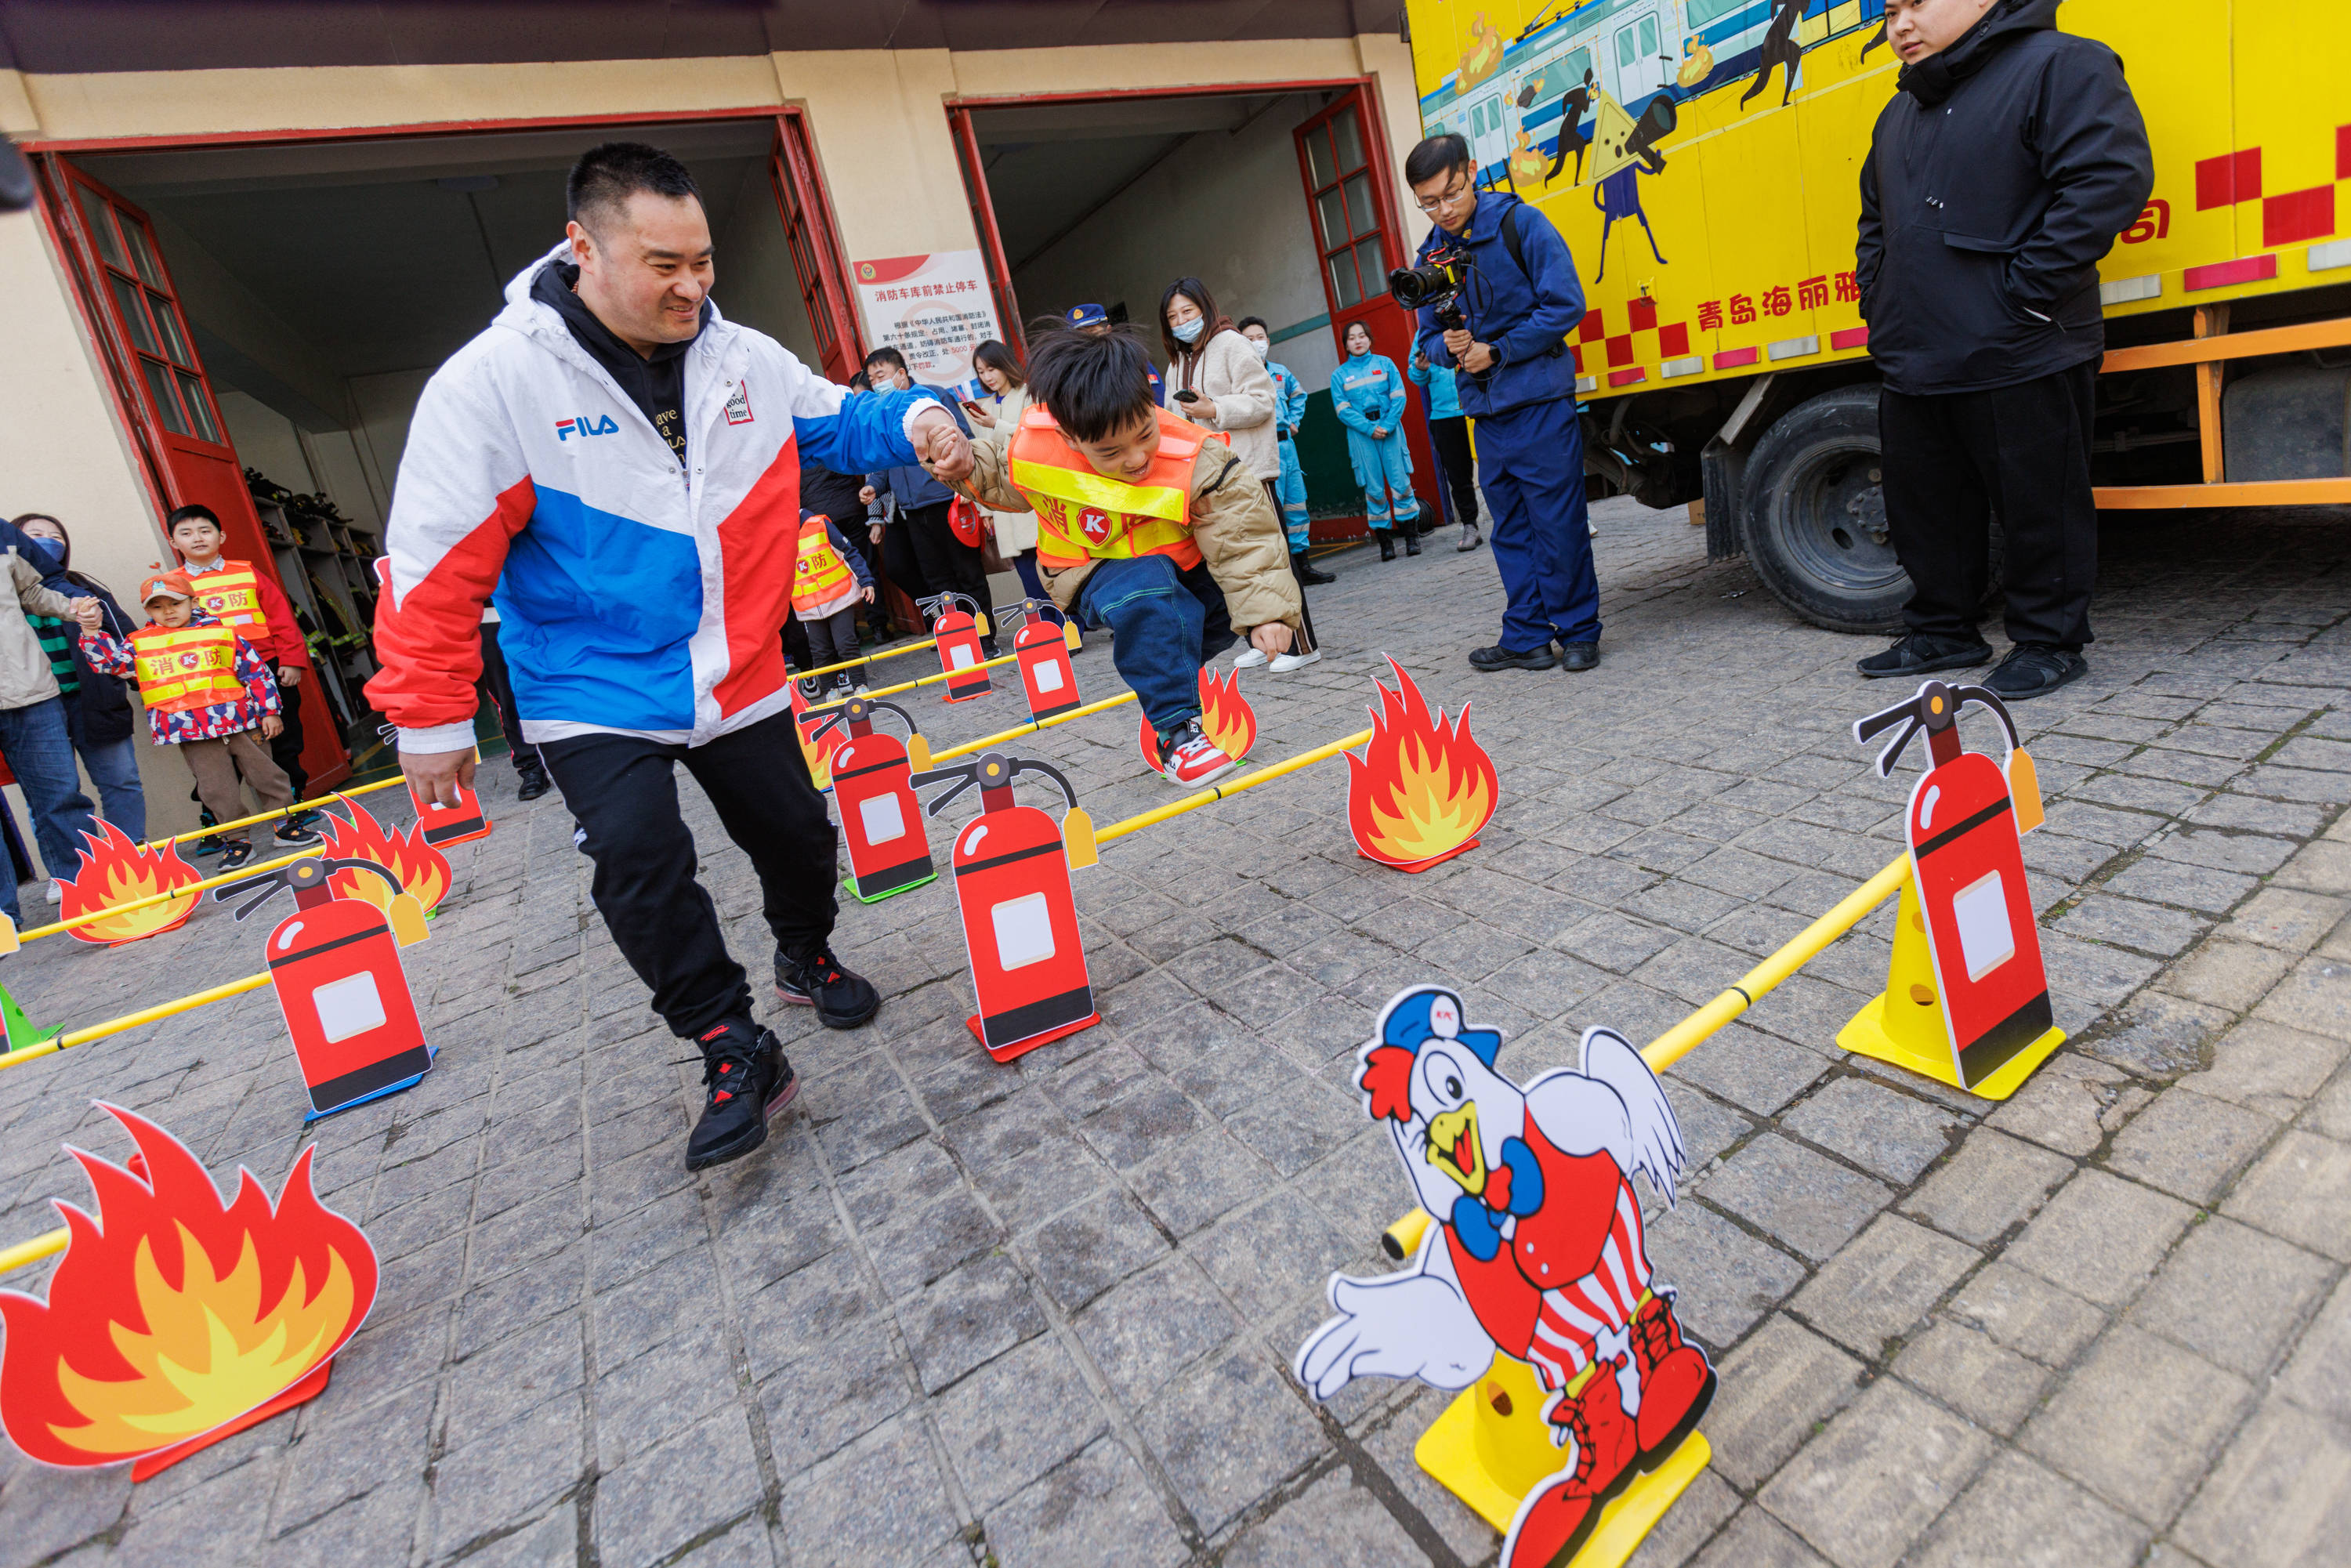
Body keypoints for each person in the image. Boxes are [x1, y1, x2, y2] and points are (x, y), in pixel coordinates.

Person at [366, 142, 974, 1173]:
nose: (692, 285)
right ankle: (728, 1041)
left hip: (734, 668)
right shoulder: (493, 383)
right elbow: (431, 559)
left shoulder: (741, 360)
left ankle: (804, 946)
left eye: (703, 262)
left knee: (795, 833)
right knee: (641, 864)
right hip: (588, 684)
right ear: (583, 247)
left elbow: (842, 418)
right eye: (664, 264)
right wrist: (427, 715)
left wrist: (920, 414)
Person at [1856, 0, 2153, 700]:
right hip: (1914, 346)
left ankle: (2049, 641)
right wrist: (1880, 297)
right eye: (1890, 11)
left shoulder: (2061, 64)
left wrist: (2022, 295)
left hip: (2021, 344)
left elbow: (2108, 181)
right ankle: (1943, 628)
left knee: (2038, 503)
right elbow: (1875, 220)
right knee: (1924, 503)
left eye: (1916, 4)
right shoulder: (1898, 112)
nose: (1899, 24)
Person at [952, 325, 1301, 787]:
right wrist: (962, 466)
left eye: (1145, 434)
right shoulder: (1040, 448)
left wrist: (1266, 614)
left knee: (1203, 612)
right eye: (1111, 451)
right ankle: (1178, 735)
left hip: (1184, 568)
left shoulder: (1195, 458)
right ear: (1071, 437)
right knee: (1147, 587)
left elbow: (1243, 536)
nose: (1136, 459)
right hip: (1088, 569)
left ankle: (1161, 677)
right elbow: (996, 471)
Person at [1408, 132, 1599, 673]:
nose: (1442, 210)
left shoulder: (1522, 225)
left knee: (1558, 522)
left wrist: (1498, 351)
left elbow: (1566, 304)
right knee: (1509, 527)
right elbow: (1424, 339)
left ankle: (1580, 631)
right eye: (1428, 201)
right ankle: (1527, 637)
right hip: (1485, 414)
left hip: (1539, 399)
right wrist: (1444, 350)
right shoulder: (1431, 255)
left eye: (1450, 193)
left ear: (1472, 171)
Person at [73, 571, 317, 873]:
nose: (168, 611)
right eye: (158, 606)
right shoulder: (140, 644)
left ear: (194, 602)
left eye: (175, 603)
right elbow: (109, 663)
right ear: (148, 611)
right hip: (192, 732)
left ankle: (285, 824)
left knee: (268, 774)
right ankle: (237, 840)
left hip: (243, 723)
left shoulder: (221, 634)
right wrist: (92, 632)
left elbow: (256, 672)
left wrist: (269, 711)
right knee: (216, 789)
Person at [1164, 283, 1318, 673]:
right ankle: (1260, 638)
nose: (1182, 322)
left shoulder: (1231, 343)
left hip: (1248, 471)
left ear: (1205, 308)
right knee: (1234, 564)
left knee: (1274, 559)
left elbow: (1263, 400)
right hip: (1207, 480)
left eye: (1188, 311)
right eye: (1173, 317)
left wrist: (1212, 407)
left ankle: (1302, 644)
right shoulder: (1176, 362)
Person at [164, 504, 318, 805]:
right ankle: (217, 817)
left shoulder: (247, 573)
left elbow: (282, 619)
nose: (197, 538)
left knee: (284, 736)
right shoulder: (172, 586)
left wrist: (290, 660)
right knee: (216, 747)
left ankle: (293, 799)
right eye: (186, 533)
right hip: (213, 679)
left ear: (221, 536)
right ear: (173, 542)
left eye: (205, 531)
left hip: (268, 667)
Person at [13, 513, 147, 846]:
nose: (47, 542)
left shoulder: (84, 589)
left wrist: (147, 684)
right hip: (34, 707)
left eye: (56, 536)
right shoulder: (7, 596)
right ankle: (72, 873)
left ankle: (129, 855)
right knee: (50, 795)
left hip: (95, 697)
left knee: (121, 780)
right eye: (35, 535)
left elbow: (127, 639)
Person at [860, 346, 991, 657]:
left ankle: (985, 639)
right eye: (872, 378)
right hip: (912, 510)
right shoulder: (883, 411)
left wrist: (966, 485)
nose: (876, 382)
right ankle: (958, 643)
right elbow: (883, 460)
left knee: (967, 573)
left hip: (947, 499)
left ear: (901, 374)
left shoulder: (932, 397)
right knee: (938, 582)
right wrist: (874, 487)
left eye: (881, 375)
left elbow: (963, 437)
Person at [0, 523, 98, 915]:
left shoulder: (3, 534)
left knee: (60, 798)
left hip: (30, 690)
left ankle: (89, 895)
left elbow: (36, 587)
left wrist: (74, 605)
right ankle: (5, 922)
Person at [1237, 317, 1333, 587]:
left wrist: (1294, 422)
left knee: (1296, 504)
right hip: (1262, 450)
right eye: (1249, 339)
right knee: (1272, 509)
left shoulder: (1280, 372)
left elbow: (1299, 395)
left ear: (1267, 341)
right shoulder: (1242, 377)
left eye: (1259, 337)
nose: (1256, 343)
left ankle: (1303, 565)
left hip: (1287, 447)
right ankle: (1283, 571)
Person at [960, 340, 1048, 603]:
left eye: (991, 369)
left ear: (1005, 366)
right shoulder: (984, 408)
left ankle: (1069, 626)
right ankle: (1048, 628)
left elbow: (1035, 436)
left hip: (1030, 487)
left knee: (1048, 561)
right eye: (981, 372)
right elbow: (982, 459)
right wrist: (985, 508)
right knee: (1024, 568)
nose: (987, 377)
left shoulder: (1030, 394)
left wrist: (996, 424)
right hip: (1001, 496)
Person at [1332, 321, 1423, 561]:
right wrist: (1370, 428)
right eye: (1352, 338)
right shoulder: (1339, 375)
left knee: (1400, 481)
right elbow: (1343, 410)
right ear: (1346, 345)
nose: (1358, 341)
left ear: (1370, 339)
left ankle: (1411, 537)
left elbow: (1399, 396)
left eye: (1362, 336)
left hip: (1390, 430)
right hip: (1362, 435)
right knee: (1373, 488)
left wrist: (1387, 425)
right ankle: (1385, 543)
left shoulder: (1386, 364)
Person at [791, 510, 875, 700]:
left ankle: (860, 685)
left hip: (838, 597)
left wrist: (865, 580)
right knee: (820, 651)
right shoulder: (775, 534)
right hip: (807, 606)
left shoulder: (818, 524)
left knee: (846, 644)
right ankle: (831, 690)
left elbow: (848, 552)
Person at [1408, 348, 1483, 552]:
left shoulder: (1470, 320)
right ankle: (1470, 526)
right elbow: (1415, 375)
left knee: (1497, 464)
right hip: (1444, 418)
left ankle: (1510, 521)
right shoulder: (1425, 336)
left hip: (1479, 407)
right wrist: (1420, 369)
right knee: (1458, 477)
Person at [476, 605, 551, 801]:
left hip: (541, 606)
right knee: (507, 698)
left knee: (563, 681)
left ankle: (584, 746)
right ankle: (531, 767)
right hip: (488, 618)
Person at [1064, 302, 1162, 403]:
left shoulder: (1132, 362)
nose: (1086, 341)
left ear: (1108, 331)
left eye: (1093, 332)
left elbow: (1160, 404)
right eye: (1079, 336)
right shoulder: (1069, 377)